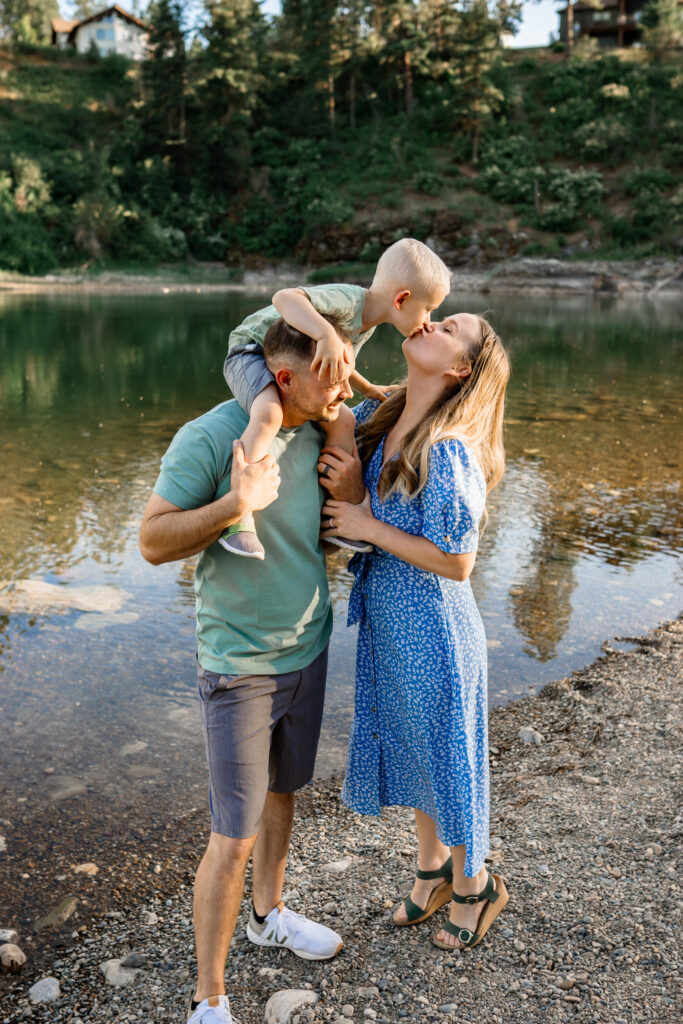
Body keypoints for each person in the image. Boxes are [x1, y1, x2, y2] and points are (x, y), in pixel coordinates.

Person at [139, 317, 361, 1024]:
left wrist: (350, 480)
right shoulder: (212, 438)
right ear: (283, 377)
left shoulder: (325, 426)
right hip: (239, 664)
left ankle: (269, 915)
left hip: (309, 646)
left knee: (284, 793)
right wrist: (237, 504)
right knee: (230, 835)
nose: (344, 390)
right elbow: (150, 541)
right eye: (331, 379)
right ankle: (208, 997)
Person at [321, 313, 511, 951]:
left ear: (460, 369)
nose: (432, 320)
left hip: (435, 628)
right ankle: (431, 873)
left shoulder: (448, 445)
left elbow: (457, 562)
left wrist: (366, 526)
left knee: (448, 759)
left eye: (450, 326)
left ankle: (476, 885)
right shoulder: (395, 418)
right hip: (392, 621)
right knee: (414, 750)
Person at [221, 238, 451, 559]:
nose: (428, 321)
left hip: (291, 363)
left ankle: (335, 515)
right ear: (401, 299)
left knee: (344, 419)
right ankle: (239, 512)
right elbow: (285, 297)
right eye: (428, 310)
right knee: (269, 413)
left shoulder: (366, 324)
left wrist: (367, 388)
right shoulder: (349, 302)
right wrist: (325, 333)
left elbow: (340, 363)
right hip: (252, 351)